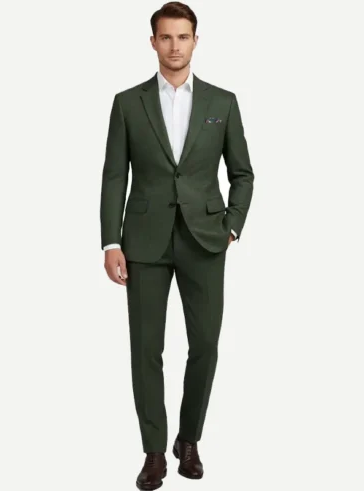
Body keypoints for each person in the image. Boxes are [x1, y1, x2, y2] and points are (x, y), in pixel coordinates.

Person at [100, 2, 254, 489]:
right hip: (143, 242)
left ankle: (188, 440)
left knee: (205, 344)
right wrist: (110, 241)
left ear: (195, 41)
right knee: (146, 348)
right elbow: (114, 176)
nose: (174, 46)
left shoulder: (222, 102)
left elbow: (243, 173)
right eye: (165, 37)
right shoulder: (128, 103)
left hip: (205, 239)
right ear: (153, 42)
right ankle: (153, 452)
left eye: (183, 37)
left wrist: (231, 226)